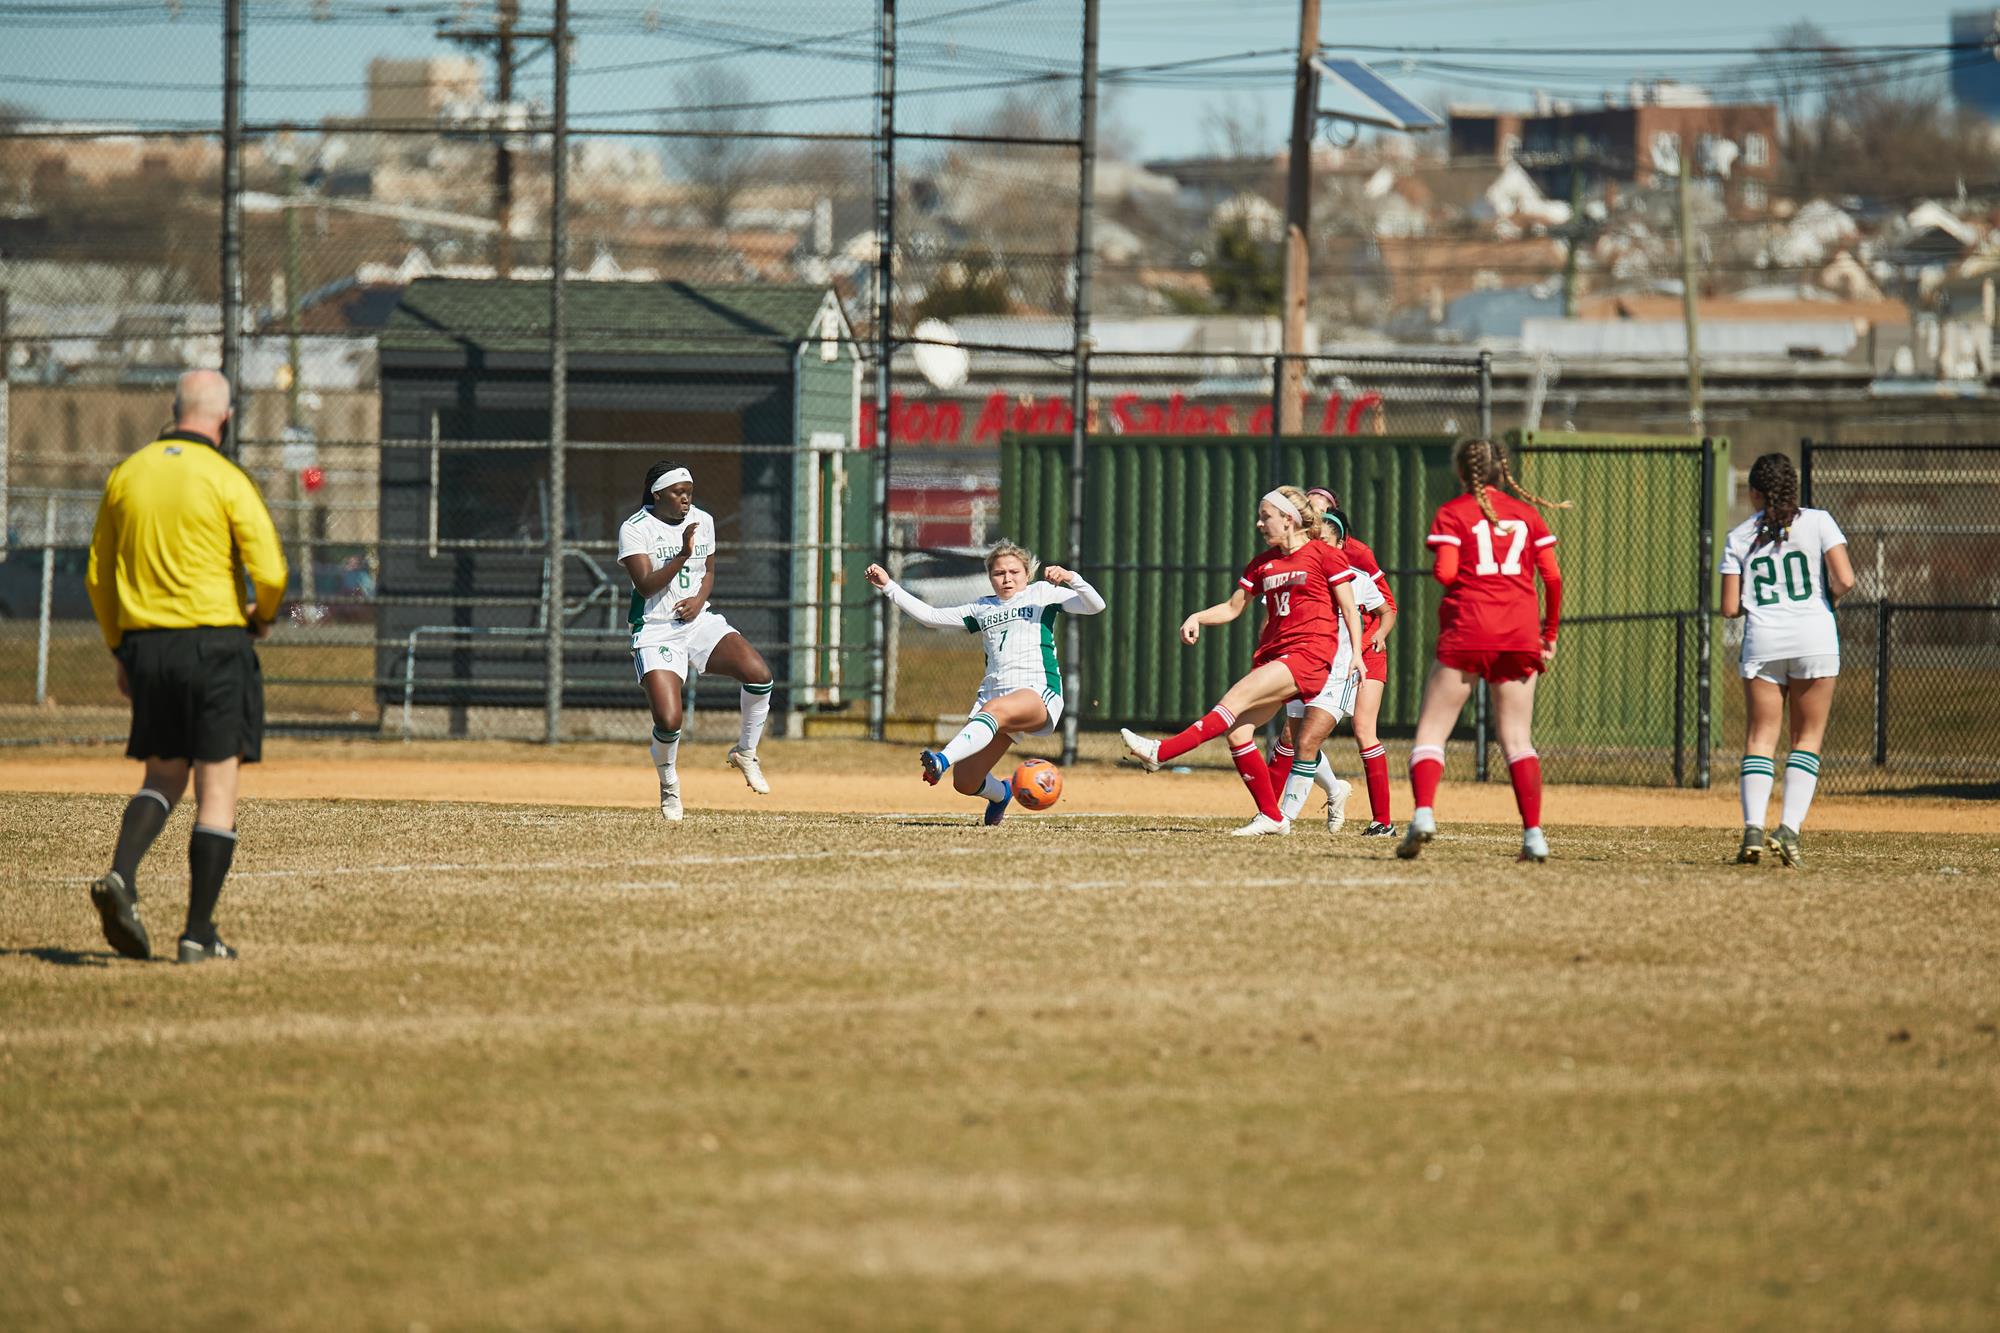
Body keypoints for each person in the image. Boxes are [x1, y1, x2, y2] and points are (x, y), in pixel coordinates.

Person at [83, 369, 287, 964]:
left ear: (173, 411)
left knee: (163, 776)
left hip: (148, 645)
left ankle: (121, 874)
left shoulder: (128, 474)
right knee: (215, 788)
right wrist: (262, 615)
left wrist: (121, 647)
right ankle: (199, 933)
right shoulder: (224, 476)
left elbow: (99, 575)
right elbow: (270, 569)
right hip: (215, 644)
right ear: (224, 419)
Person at [1121, 486, 1366, 837]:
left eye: (1266, 516)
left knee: (1233, 701)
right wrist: (1197, 617)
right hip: (1275, 654)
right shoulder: (1263, 563)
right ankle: (1273, 816)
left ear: (1289, 519)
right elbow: (1234, 607)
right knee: (1238, 733)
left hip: (1308, 654)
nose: (1259, 523)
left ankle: (1161, 751)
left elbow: (1347, 607)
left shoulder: (1323, 555)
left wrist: (1356, 653)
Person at [1397, 438, 1568, 863]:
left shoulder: (1453, 512)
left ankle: (1422, 814)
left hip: (1468, 628)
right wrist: (1549, 634)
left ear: (1461, 472)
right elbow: (1553, 579)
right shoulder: (1527, 514)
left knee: (1432, 732)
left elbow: (1446, 572)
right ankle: (1533, 836)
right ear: (1502, 470)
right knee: (1516, 739)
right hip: (1519, 631)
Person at [865, 542, 1104, 825]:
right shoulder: (982, 607)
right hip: (995, 699)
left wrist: (1071, 578)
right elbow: (930, 617)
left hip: (1037, 693)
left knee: (993, 711)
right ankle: (1001, 793)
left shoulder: (1042, 594)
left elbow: (1095, 605)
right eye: (999, 573)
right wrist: (889, 586)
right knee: (965, 782)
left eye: (1014, 572)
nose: (1007, 578)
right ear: (990, 577)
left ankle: (942, 759)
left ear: (1027, 574)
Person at [618, 462, 777, 822]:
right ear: (658, 494)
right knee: (670, 719)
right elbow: (645, 585)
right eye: (678, 492)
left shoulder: (703, 520)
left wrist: (699, 598)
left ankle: (745, 752)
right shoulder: (635, 528)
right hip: (656, 628)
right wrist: (683, 554)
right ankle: (669, 783)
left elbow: (709, 572)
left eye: (689, 491)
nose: (686, 498)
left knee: (759, 675)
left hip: (696, 620)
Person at [1719, 452, 1854, 868]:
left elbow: (1728, 608)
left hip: (1764, 642)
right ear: (1793, 488)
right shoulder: (1819, 521)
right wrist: (1823, 603)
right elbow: (1846, 579)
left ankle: (1753, 830)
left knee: (1761, 738)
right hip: (1815, 638)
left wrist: (1757, 604)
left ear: (1754, 493)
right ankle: (1789, 830)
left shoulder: (1739, 536)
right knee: (1806, 739)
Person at [1267, 489, 1397, 835]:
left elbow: (1386, 607)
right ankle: (1275, 810)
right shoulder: (1301, 555)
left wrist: (1375, 638)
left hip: (1360, 651)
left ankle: (1382, 821)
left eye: (1320, 511)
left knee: (1362, 731)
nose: (1311, 516)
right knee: (1296, 734)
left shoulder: (1355, 558)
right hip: (1320, 654)